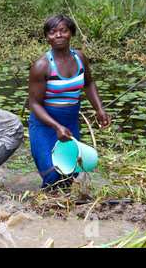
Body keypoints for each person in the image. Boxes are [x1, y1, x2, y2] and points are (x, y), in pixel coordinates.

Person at [28, 14, 111, 190]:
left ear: (71, 33)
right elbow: (34, 104)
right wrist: (56, 127)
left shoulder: (80, 58)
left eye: (63, 31)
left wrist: (99, 109)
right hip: (45, 125)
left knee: (70, 173)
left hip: (70, 122)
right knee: (51, 173)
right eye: (52, 32)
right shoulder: (42, 66)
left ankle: (63, 213)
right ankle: (47, 211)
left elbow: (88, 83)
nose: (58, 35)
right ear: (47, 37)